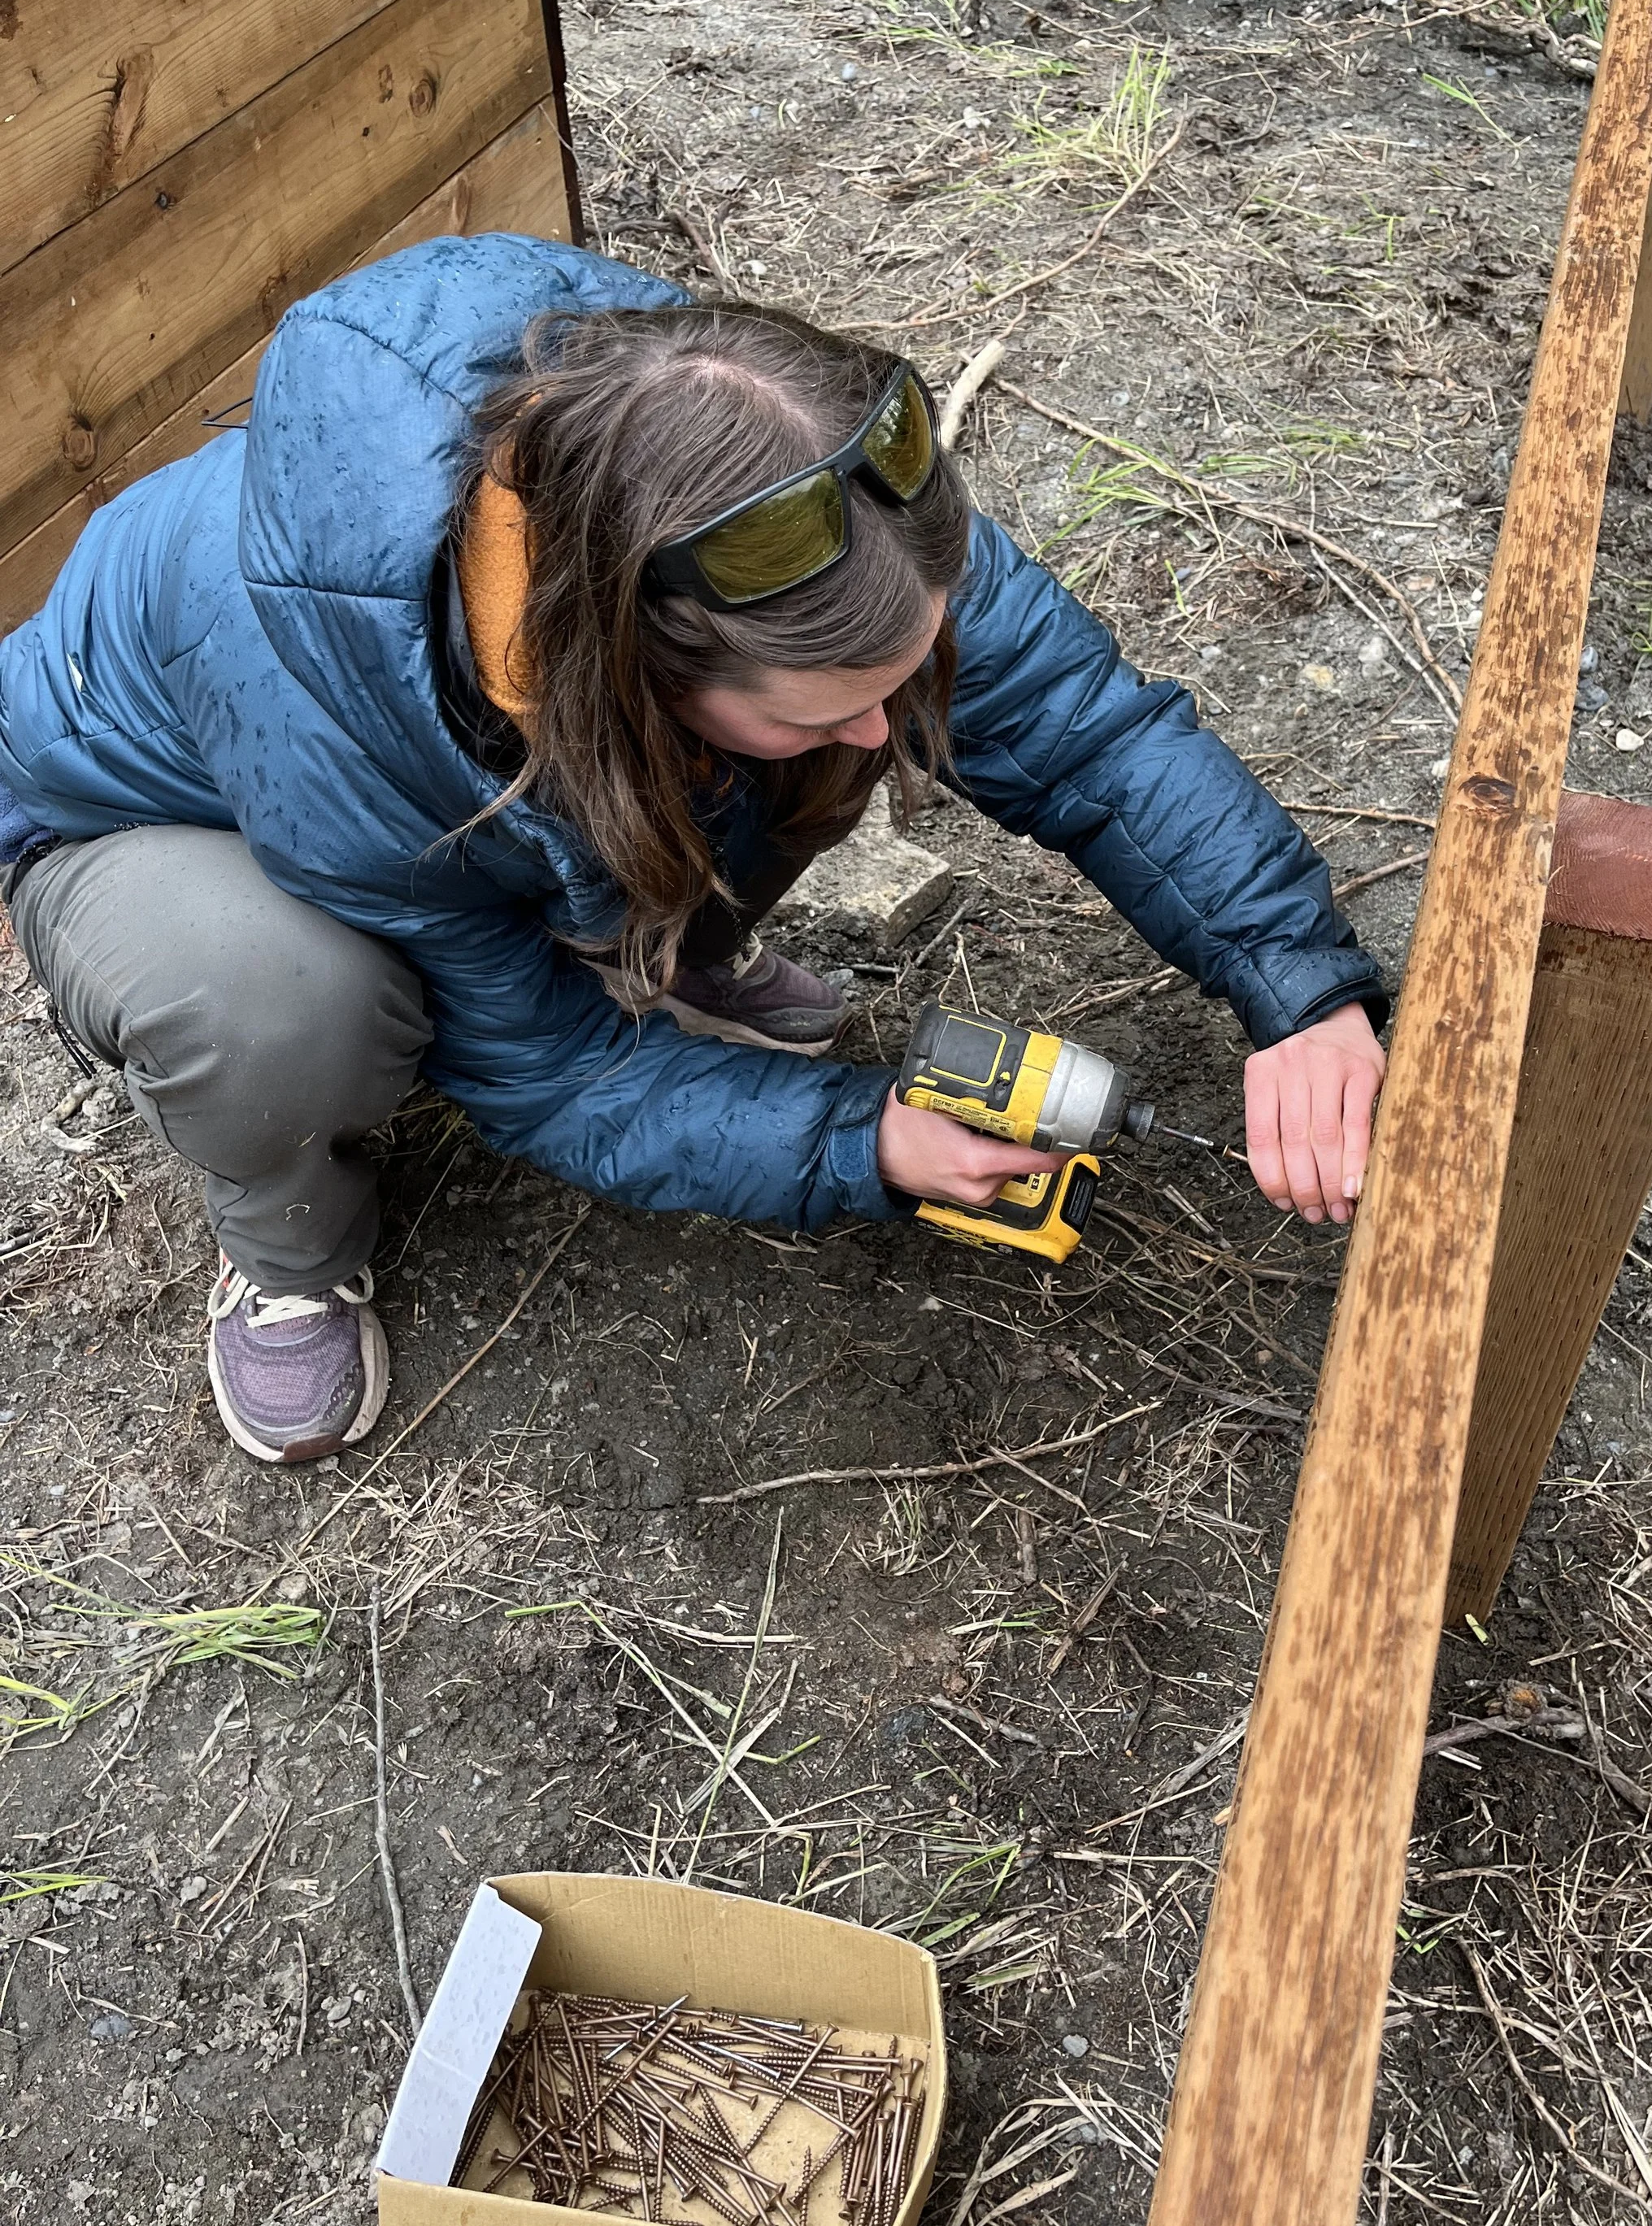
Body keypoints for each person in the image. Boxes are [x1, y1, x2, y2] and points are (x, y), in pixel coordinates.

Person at [0, 236, 1389, 1467]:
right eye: (834, 701)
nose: (890, 726)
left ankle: (647, 951)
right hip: (144, 821)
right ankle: (290, 1255)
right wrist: (861, 1143)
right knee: (288, 1002)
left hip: (510, 756)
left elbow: (1081, 734)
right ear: (630, 664)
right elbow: (549, 1072)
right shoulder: (344, 730)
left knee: (800, 746)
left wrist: (1295, 985)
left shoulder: (811, 504)